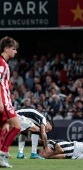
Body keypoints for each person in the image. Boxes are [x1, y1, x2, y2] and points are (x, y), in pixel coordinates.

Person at [0, 36, 22, 168]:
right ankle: (2, 154)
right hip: (4, 101)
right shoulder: (1, 63)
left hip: (6, 99)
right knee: (17, 127)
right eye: (13, 49)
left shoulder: (4, 63)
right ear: (6, 49)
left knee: (4, 127)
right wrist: (1, 100)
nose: (15, 51)